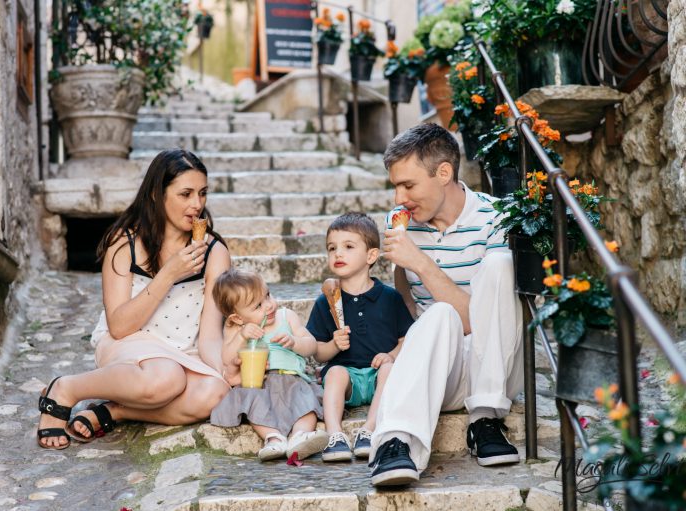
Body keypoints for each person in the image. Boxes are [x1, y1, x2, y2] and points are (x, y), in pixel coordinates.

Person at [36, 149, 231, 450]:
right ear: (157, 194)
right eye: (186, 194)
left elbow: (208, 336)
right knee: (167, 378)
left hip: (183, 351)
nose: (197, 204)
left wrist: (226, 374)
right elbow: (119, 326)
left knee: (215, 393)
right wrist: (169, 274)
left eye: (203, 193)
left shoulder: (214, 252)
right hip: (128, 343)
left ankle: (115, 411)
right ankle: (66, 388)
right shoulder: (124, 244)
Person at [368, 123, 523, 486]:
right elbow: (415, 311)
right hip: (445, 372)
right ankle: (396, 441)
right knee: (438, 314)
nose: (398, 199)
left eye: (408, 185)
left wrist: (420, 261)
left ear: (443, 173)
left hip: (499, 368)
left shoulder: (497, 217)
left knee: (500, 265)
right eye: (395, 187)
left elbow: (475, 321)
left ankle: (485, 421)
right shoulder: (406, 227)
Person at [307, 213, 414, 462]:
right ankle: (335, 435)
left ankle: (369, 430)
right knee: (334, 373)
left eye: (348, 247)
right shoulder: (326, 301)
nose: (338, 254)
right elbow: (318, 352)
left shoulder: (390, 298)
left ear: (371, 256)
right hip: (348, 380)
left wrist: (390, 355)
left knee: (390, 368)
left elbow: (406, 339)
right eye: (331, 248)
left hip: (379, 376)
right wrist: (334, 345)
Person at [209, 269, 329, 461]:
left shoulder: (285, 316)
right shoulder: (236, 328)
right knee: (255, 404)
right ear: (238, 317)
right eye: (258, 305)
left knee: (306, 403)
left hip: (292, 378)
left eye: (268, 295)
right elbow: (227, 359)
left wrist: (295, 342)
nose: (269, 305)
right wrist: (241, 336)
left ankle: (300, 435)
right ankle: (273, 438)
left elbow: (312, 345)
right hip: (259, 382)